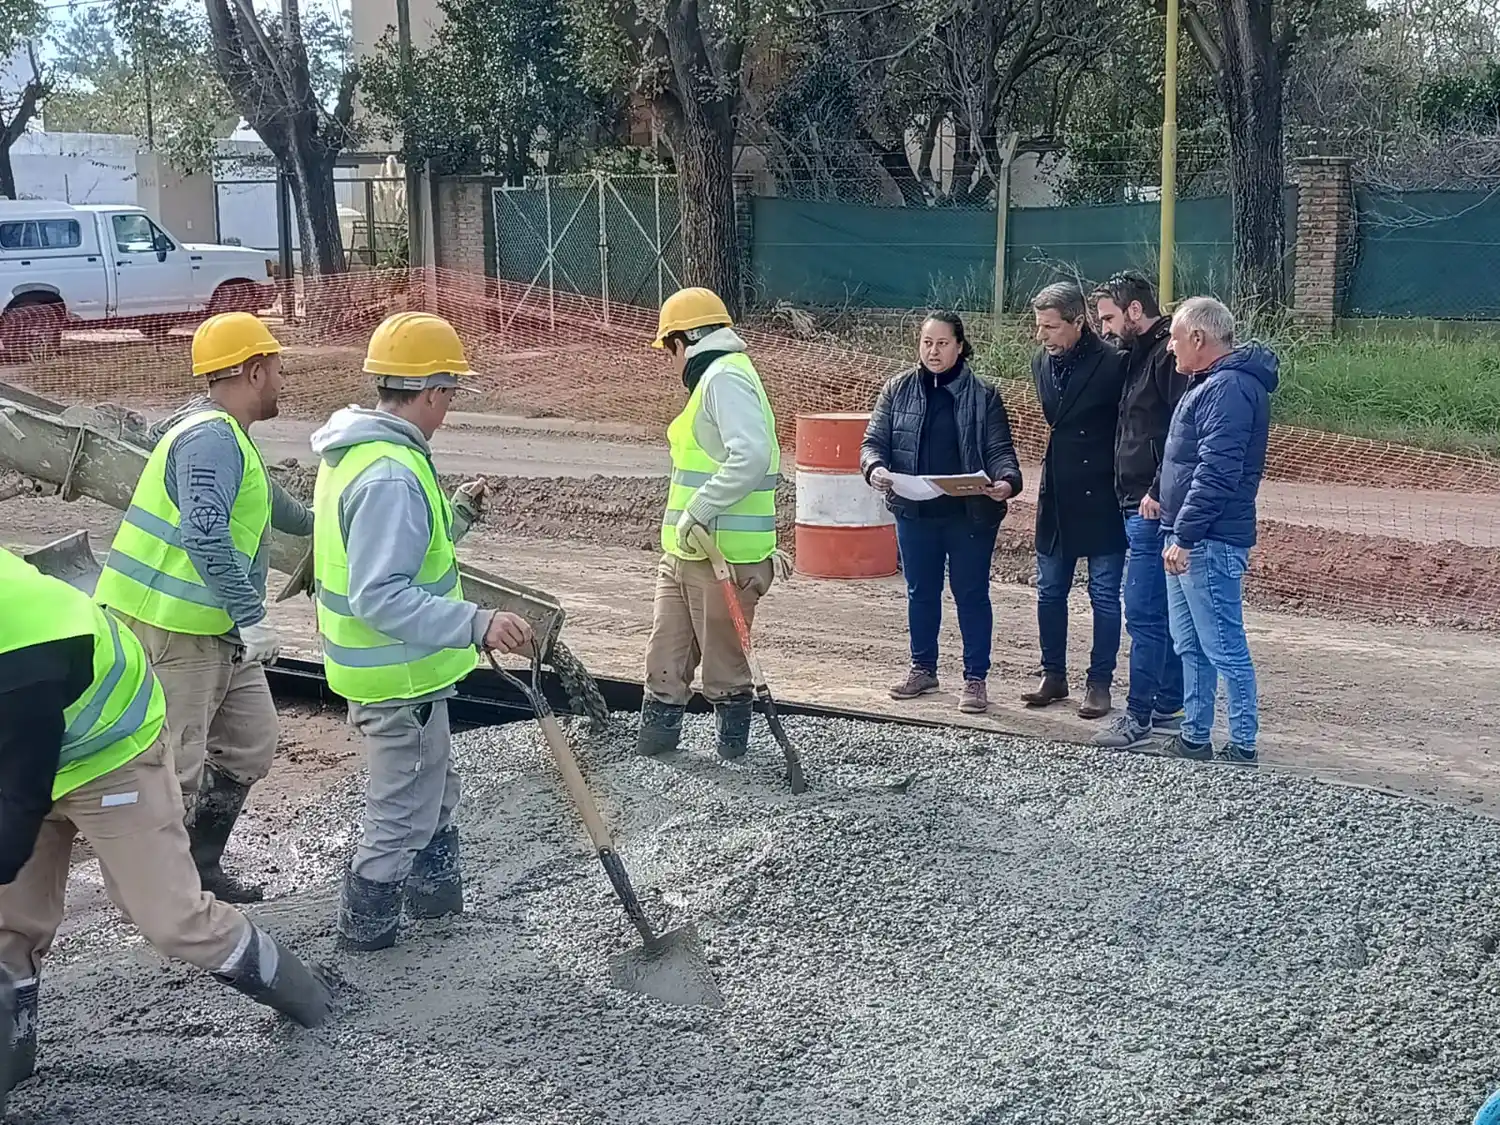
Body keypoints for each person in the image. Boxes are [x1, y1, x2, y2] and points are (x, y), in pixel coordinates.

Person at [0, 547, 333, 1094]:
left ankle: (316, 1003)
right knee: (10, 929)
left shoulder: (21, 647)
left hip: (109, 754)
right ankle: (12, 1066)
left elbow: (22, 793)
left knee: (175, 919)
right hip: (25, 747)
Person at [310, 311, 533, 952]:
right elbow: (381, 594)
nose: (450, 408)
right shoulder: (388, 476)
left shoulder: (367, 458)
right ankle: (368, 933)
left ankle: (435, 904)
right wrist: (478, 623)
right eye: (451, 395)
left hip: (404, 672)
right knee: (401, 805)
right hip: (396, 675)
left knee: (433, 789)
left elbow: (409, 558)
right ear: (432, 392)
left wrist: (457, 514)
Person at [93, 312, 312, 904]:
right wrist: (252, 614)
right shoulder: (210, 439)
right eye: (277, 372)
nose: (280, 383)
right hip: (173, 629)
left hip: (213, 629)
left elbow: (283, 512)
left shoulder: (224, 435)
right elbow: (206, 532)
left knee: (250, 742)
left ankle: (201, 865)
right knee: (173, 768)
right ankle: (165, 900)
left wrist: (337, 526)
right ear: (254, 370)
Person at [638, 287, 782, 761]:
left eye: (669, 350)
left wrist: (699, 507)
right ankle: (656, 754)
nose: (669, 362)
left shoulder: (725, 378)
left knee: (725, 673)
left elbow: (753, 456)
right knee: (665, 661)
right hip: (686, 554)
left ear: (684, 341)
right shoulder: (715, 380)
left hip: (725, 558)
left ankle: (732, 765)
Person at [860, 312, 1023, 714]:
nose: (933, 351)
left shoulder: (983, 395)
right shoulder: (897, 389)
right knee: (920, 592)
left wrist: (1007, 481)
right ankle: (923, 668)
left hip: (969, 514)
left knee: (970, 594)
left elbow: (1001, 449)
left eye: (942, 343)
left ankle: (975, 678)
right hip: (914, 513)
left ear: (960, 346)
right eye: (927, 343)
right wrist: (875, 469)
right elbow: (873, 442)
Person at [1158, 296, 1278, 763]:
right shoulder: (1212, 384)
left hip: (1208, 540)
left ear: (1198, 338)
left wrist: (1185, 535)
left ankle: (1243, 743)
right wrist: (1160, 500)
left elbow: (1217, 472)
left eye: (1174, 337)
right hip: (1191, 534)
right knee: (1191, 644)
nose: (1170, 348)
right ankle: (1195, 734)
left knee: (1224, 645)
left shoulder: (1227, 389)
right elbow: (1188, 461)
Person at [1091, 272, 1189, 749]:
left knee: (1145, 613)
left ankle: (1139, 716)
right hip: (1137, 499)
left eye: (1109, 317)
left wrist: (1153, 489)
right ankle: (1168, 704)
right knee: (1159, 613)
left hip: (1151, 506)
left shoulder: (1166, 357)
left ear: (1134, 311)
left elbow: (1181, 434)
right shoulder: (1136, 356)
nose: (1105, 328)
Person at [1023, 282, 1128, 718]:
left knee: (1104, 595)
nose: (1042, 336)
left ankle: (1099, 683)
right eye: (1039, 326)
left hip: (1103, 492)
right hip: (1058, 491)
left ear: (1078, 323)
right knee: (1049, 591)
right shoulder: (1040, 364)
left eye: (1050, 327)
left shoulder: (1115, 364)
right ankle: (1053, 674)